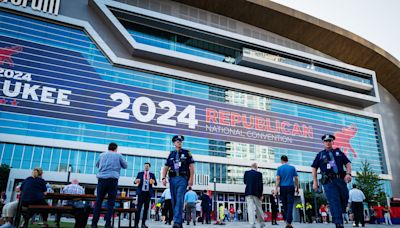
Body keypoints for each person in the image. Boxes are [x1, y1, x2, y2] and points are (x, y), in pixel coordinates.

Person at [312, 134, 352, 228]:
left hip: (340, 180)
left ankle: (341, 212)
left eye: (330, 141)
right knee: (334, 200)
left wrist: (348, 174)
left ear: (332, 142)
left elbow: (348, 163)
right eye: (326, 141)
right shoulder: (320, 155)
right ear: (323, 143)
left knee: (344, 197)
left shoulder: (339, 152)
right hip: (328, 181)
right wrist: (315, 182)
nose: (328, 142)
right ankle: (338, 222)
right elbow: (314, 168)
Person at [161, 135, 195, 228]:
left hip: (182, 179)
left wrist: (191, 179)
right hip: (172, 179)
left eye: (180, 141)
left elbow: (191, 167)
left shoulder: (187, 153)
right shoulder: (171, 154)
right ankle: (178, 223)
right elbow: (166, 167)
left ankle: (176, 221)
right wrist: (163, 178)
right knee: (174, 201)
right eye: (177, 141)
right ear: (174, 143)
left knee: (180, 199)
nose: (179, 142)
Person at [92, 142, 128, 228]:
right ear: (116, 148)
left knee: (98, 202)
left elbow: (97, 165)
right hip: (112, 180)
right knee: (111, 203)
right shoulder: (118, 155)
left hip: (102, 180)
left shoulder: (101, 155)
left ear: (108, 148)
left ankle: (94, 224)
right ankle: (107, 224)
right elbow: (125, 166)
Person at [276, 155, 299, 228]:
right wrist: (297, 187)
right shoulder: (292, 168)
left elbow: (278, 179)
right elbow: (296, 178)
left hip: (282, 188)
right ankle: (289, 222)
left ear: (281, 160)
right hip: (290, 187)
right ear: (287, 160)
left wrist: (276, 188)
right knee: (290, 204)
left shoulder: (279, 168)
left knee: (285, 205)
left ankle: (288, 222)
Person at [134, 162, 157, 228]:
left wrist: (153, 181)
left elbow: (155, 184)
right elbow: (135, 181)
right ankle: (136, 224)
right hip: (141, 193)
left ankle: (143, 224)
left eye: (147, 166)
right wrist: (136, 181)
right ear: (144, 167)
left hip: (148, 194)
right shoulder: (140, 173)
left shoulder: (152, 174)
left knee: (146, 209)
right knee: (138, 209)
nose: (146, 167)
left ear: (149, 167)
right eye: (145, 166)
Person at [244, 163, 265, 228]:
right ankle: (261, 223)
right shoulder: (259, 174)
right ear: (256, 167)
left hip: (248, 192)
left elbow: (245, 182)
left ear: (251, 167)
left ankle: (252, 224)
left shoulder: (246, 173)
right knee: (259, 208)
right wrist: (261, 194)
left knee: (250, 208)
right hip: (257, 193)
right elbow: (260, 185)